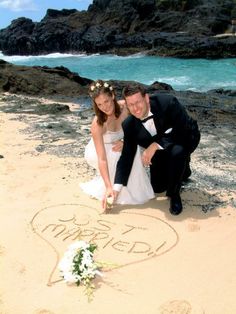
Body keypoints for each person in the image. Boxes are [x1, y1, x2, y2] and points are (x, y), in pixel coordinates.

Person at [113, 83, 200, 215]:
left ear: (146, 98)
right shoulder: (129, 125)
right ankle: (184, 169)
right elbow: (126, 157)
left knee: (178, 152)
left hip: (185, 137)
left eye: (138, 102)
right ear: (126, 105)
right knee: (158, 187)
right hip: (160, 149)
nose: (135, 108)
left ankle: (175, 193)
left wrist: (154, 145)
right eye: (131, 104)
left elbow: (182, 129)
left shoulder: (168, 102)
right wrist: (116, 189)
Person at [80, 80, 155, 210]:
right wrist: (109, 187)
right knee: (117, 156)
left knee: (133, 149)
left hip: (121, 142)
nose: (104, 107)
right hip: (100, 149)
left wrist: (126, 142)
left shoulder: (125, 108)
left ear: (113, 96)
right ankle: (113, 189)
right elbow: (101, 159)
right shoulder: (98, 124)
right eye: (99, 104)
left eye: (107, 101)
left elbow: (140, 126)